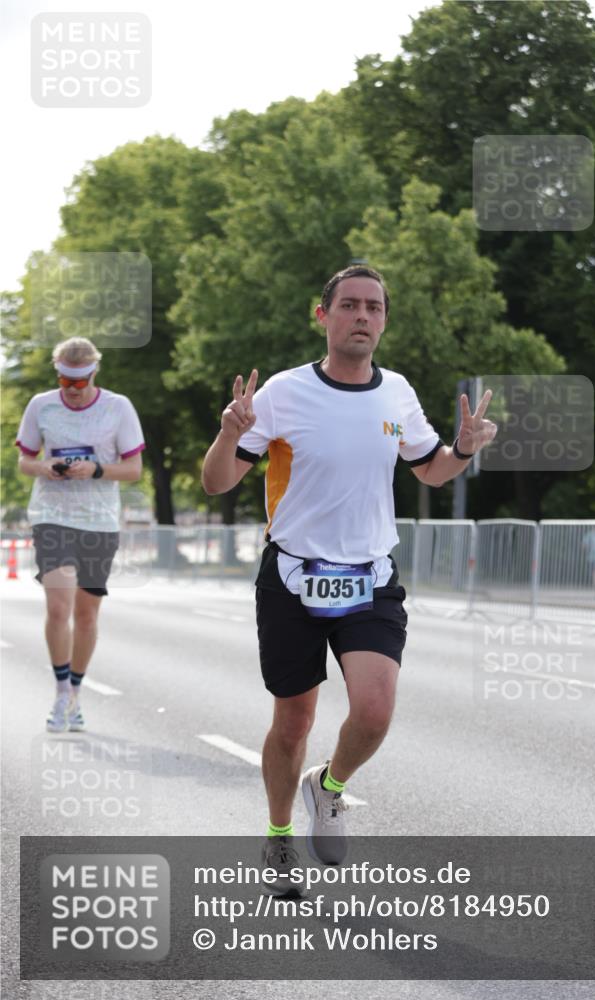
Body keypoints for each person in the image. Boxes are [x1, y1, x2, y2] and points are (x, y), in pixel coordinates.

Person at [201, 265, 497, 892]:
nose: (363, 316)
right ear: (324, 315)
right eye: (350, 305)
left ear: (384, 320)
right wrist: (228, 436)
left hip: (370, 574)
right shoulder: (282, 392)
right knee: (293, 722)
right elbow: (216, 482)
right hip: (293, 576)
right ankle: (279, 835)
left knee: (375, 710)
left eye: (374, 307)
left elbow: (431, 470)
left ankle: (329, 786)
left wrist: (466, 449)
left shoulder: (398, 393)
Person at [16, 337, 145, 733]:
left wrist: (97, 470)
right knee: (59, 608)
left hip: (99, 521)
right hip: (52, 515)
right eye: (65, 381)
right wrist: (45, 467)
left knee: (86, 615)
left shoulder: (118, 407)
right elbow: (24, 461)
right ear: (58, 373)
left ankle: (75, 691)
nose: (72, 389)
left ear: (94, 373)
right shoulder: (41, 405)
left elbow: (134, 469)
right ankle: (60, 693)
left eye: (80, 381)